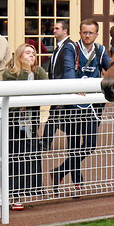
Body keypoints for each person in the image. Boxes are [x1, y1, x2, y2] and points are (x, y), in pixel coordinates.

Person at [50, 20, 111, 195]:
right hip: (74, 104)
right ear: (80, 33)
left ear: (97, 35)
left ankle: (59, 171)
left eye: (91, 33)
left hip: (91, 105)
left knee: (90, 145)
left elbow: (110, 68)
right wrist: (79, 86)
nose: (87, 36)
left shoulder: (100, 50)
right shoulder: (72, 48)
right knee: (74, 145)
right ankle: (77, 182)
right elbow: (68, 70)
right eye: (84, 32)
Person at [4, 44, 48, 209]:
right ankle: (11, 193)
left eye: (33, 53)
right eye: (27, 53)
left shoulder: (39, 72)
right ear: (19, 55)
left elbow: (45, 91)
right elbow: (16, 93)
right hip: (13, 120)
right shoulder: (10, 72)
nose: (31, 56)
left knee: (29, 153)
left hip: (31, 119)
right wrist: (23, 70)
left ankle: (24, 192)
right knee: (13, 155)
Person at [39, 20, 73, 152]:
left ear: (65, 31)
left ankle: (46, 142)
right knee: (56, 115)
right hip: (57, 86)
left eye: (57, 29)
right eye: (54, 28)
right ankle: (46, 141)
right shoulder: (59, 47)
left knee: (55, 115)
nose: (54, 31)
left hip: (63, 87)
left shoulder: (68, 46)